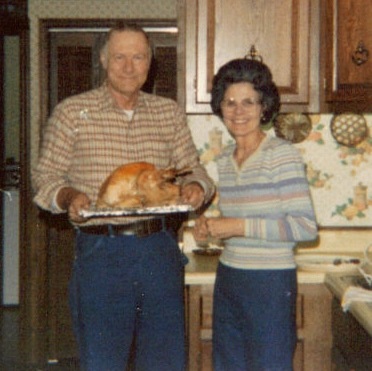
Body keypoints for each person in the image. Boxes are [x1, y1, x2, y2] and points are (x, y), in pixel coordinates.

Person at [32, 23, 215, 371]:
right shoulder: (72, 113)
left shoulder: (168, 112)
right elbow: (44, 180)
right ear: (103, 59)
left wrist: (197, 187)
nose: (129, 67)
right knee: (104, 362)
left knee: (164, 361)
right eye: (119, 57)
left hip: (159, 250)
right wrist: (69, 195)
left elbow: (193, 170)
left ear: (150, 62)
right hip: (102, 254)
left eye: (138, 57)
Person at [193, 58, 318, 371]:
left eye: (249, 102)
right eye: (230, 102)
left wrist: (236, 225)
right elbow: (240, 222)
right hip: (229, 278)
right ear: (220, 108)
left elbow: (304, 227)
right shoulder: (224, 159)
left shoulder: (281, 154)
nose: (239, 111)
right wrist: (209, 228)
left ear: (264, 107)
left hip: (270, 283)